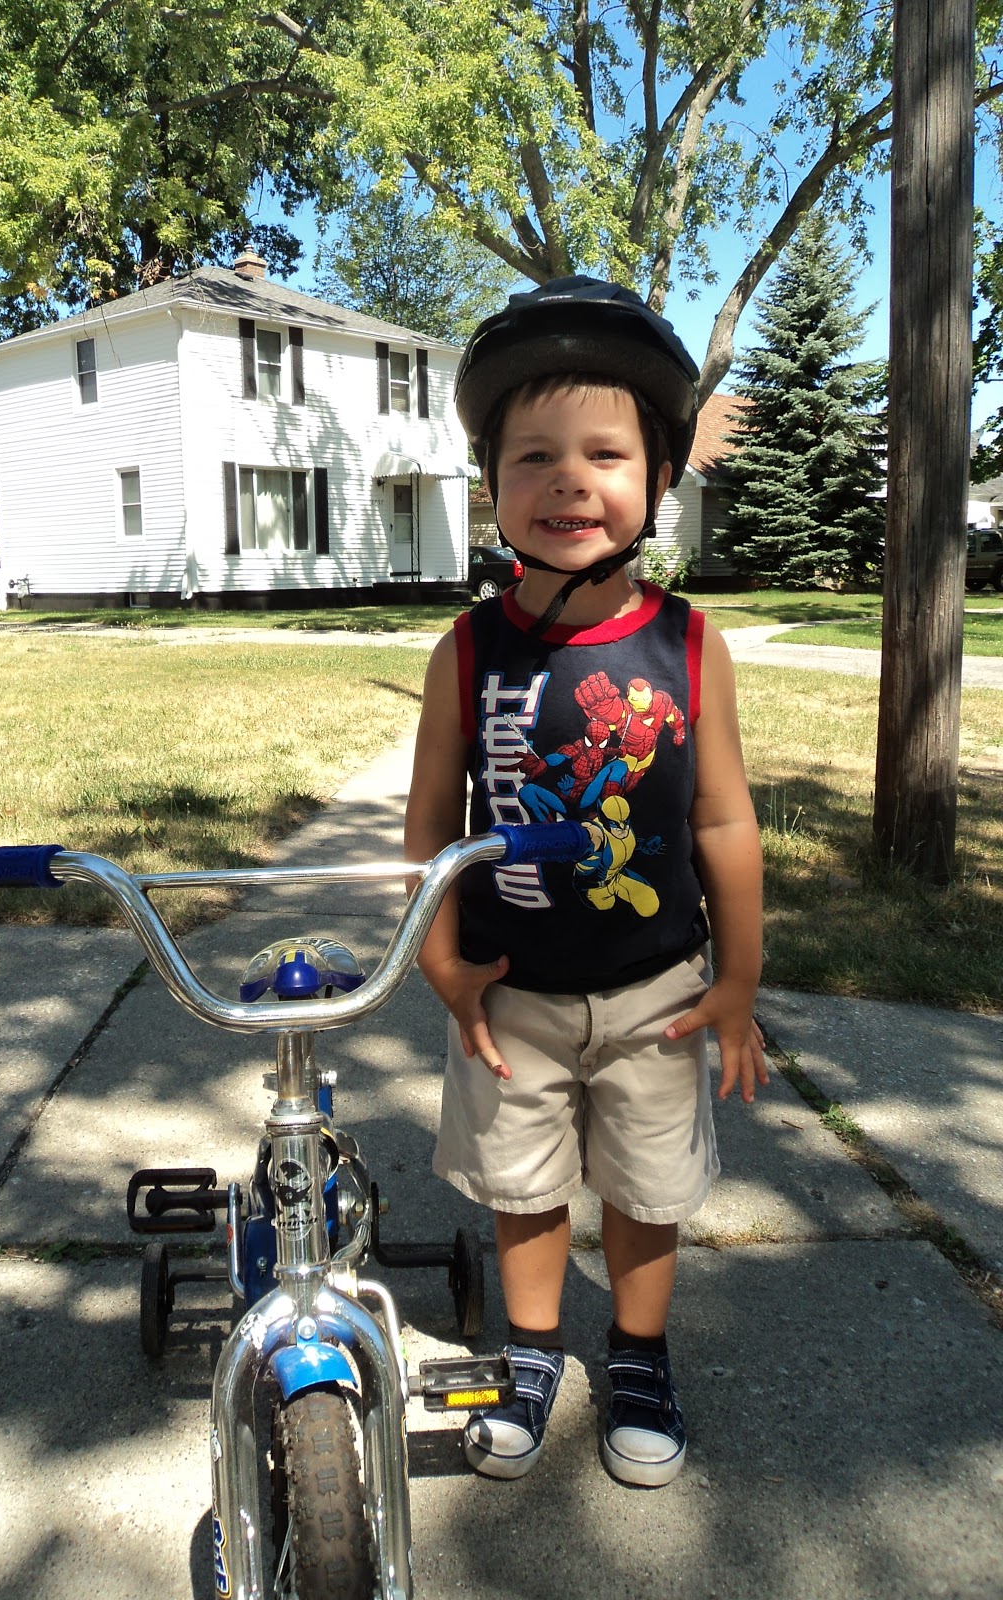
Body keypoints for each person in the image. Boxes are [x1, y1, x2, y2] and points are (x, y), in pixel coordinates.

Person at [403, 277, 767, 1489]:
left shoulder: (688, 643)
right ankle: (533, 1350)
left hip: (660, 987)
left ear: (656, 481)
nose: (570, 479)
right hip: (513, 995)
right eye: (534, 456)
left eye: (606, 453)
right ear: (493, 484)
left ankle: (642, 1354)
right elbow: (431, 824)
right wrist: (442, 959)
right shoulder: (468, 649)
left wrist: (740, 979)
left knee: (647, 1190)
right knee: (523, 1185)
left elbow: (723, 816)